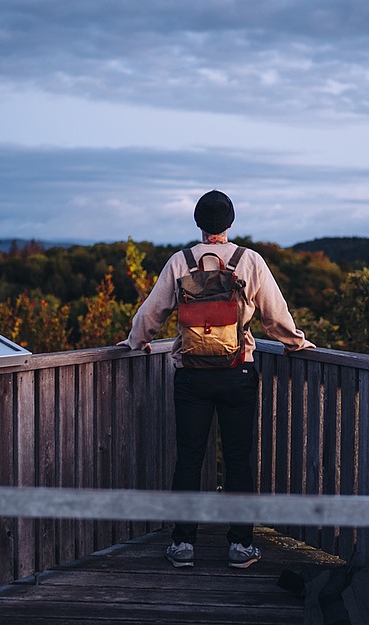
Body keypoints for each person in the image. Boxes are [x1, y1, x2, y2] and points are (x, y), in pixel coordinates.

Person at [118, 189, 314, 569]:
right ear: (230, 223)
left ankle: (183, 545)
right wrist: (296, 343)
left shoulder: (181, 262)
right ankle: (240, 546)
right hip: (237, 372)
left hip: (192, 376)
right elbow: (276, 315)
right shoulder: (249, 261)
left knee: (189, 458)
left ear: (198, 223)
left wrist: (135, 343)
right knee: (239, 459)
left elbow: (150, 314)